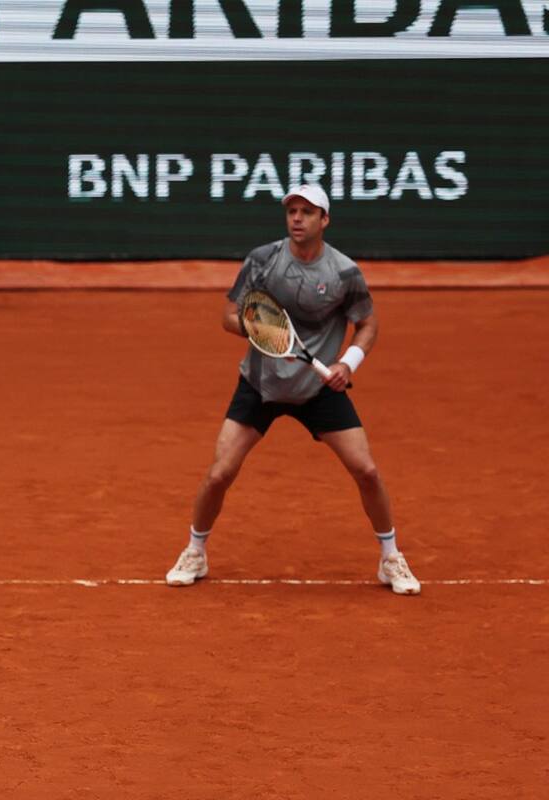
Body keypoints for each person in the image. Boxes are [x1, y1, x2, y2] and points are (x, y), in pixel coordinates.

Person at [165, 184, 421, 596]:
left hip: (318, 390)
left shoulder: (343, 272)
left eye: (307, 212)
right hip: (260, 385)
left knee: (367, 471)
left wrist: (346, 364)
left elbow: (367, 323)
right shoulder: (263, 260)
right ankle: (195, 550)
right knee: (219, 474)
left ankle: (390, 558)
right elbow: (229, 315)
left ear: (325, 220)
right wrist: (263, 334)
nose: (297, 218)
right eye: (292, 211)